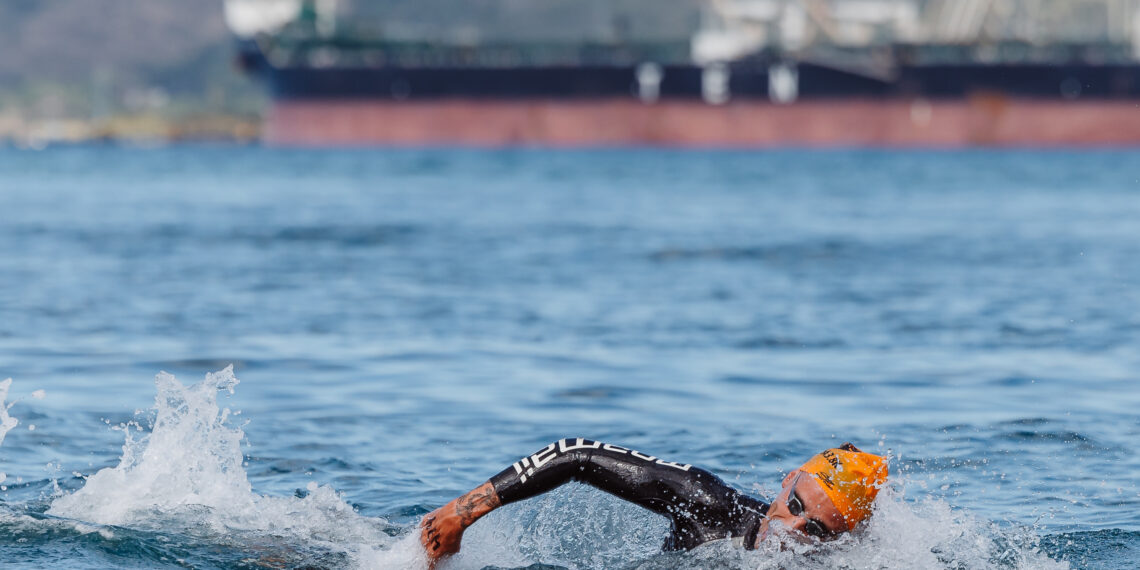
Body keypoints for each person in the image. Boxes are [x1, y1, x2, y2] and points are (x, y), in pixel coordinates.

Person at [420, 438, 888, 565]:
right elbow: (577, 454)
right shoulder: (710, 506)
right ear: (788, 481)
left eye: (818, 533)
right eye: (797, 506)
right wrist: (464, 512)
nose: (791, 530)